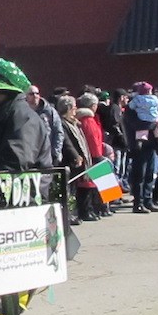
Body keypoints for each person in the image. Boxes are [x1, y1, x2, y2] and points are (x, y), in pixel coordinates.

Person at [123, 81, 158, 214]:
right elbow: (138, 125)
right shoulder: (131, 109)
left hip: (150, 143)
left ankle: (147, 200)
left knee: (150, 173)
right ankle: (138, 203)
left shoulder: (150, 106)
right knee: (140, 174)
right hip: (138, 145)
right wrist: (153, 125)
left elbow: (154, 117)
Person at [58, 95, 97, 223]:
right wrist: (76, 155)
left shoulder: (74, 122)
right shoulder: (63, 123)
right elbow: (67, 142)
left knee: (75, 189)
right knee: (70, 190)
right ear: (68, 108)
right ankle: (71, 214)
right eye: (74, 108)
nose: (75, 110)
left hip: (80, 159)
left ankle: (77, 212)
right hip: (69, 160)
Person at [76, 93, 111, 215]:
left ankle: (101, 207)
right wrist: (97, 155)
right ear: (93, 105)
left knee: (92, 184)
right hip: (93, 154)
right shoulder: (88, 120)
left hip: (91, 153)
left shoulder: (84, 118)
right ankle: (100, 208)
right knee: (91, 184)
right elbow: (92, 139)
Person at [26, 85, 64, 165]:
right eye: (31, 94)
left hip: (47, 156)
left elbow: (59, 132)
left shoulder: (49, 111)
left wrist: (55, 153)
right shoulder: (22, 112)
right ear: (26, 96)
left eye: (37, 93)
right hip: (29, 156)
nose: (35, 96)